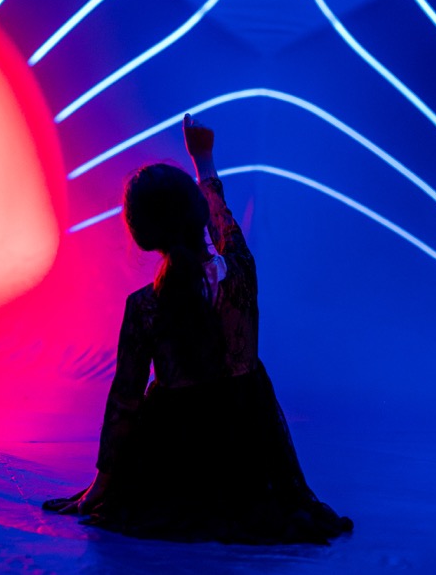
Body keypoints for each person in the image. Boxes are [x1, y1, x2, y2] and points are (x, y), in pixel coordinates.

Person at [42, 114, 352, 544]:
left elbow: (125, 400)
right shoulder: (241, 270)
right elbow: (222, 220)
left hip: (178, 461)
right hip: (248, 458)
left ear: (140, 232)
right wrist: (203, 157)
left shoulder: (145, 306)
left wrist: (102, 485)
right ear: (197, 214)